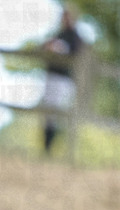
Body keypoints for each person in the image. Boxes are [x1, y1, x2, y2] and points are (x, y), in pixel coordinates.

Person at [40, 8, 83, 154]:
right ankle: (46, 147)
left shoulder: (75, 37)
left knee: (57, 113)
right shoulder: (59, 34)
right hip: (52, 76)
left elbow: (75, 54)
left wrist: (59, 48)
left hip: (63, 79)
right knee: (48, 112)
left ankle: (52, 147)